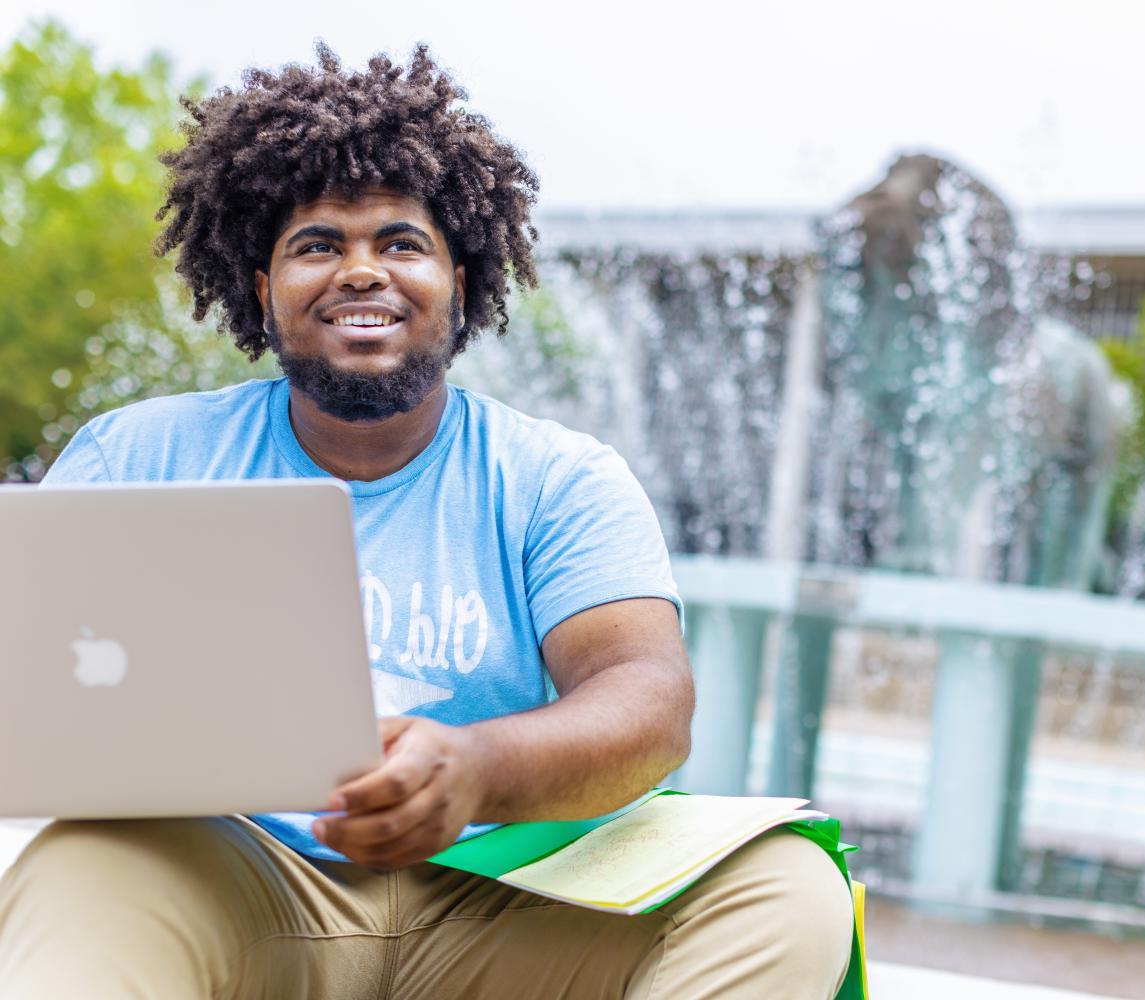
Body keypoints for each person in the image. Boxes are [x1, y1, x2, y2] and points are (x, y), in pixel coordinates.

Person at [0, 44, 853, 999]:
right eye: (318, 244)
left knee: (787, 884)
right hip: (241, 888)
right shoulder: (136, 461)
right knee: (78, 865)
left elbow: (649, 701)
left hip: (506, 901)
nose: (361, 271)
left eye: (401, 243)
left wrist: (477, 768)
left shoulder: (559, 479)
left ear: (462, 283)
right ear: (259, 292)